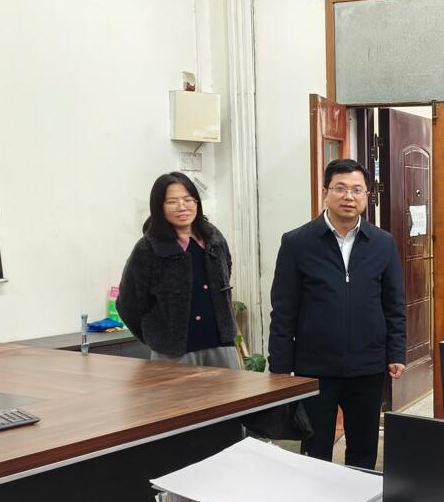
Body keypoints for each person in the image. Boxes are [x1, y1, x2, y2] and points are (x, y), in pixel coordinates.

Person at [269, 159, 406, 469]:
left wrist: (396, 351)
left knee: (363, 450)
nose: (349, 196)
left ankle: (361, 501)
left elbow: (394, 304)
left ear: (367, 195)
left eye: (357, 190)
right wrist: (280, 369)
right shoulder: (297, 243)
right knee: (315, 451)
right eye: (340, 188)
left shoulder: (382, 243)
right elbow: (284, 310)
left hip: (368, 366)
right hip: (315, 367)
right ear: (325, 193)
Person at [117, 172, 239, 368]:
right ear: (159, 206)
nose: (182, 207)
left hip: (221, 346)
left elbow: (225, 275)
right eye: (172, 201)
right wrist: (158, 338)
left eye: (188, 200)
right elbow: (128, 304)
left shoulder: (214, 238)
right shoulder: (147, 249)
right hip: (173, 353)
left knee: (230, 389)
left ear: (197, 202)